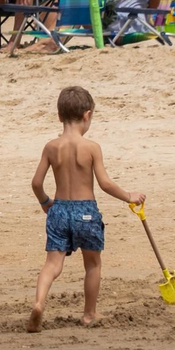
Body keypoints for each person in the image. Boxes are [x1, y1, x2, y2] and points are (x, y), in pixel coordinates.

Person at [27, 86, 144, 331]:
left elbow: (36, 183)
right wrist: (129, 197)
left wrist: (45, 202)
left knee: (52, 264)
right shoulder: (91, 147)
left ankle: (39, 303)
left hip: (59, 210)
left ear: (59, 116)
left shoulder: (51, 147)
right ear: (87, 116)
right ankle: (89, 314)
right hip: (86, 212)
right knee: (92, 264)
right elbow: (105, 183)